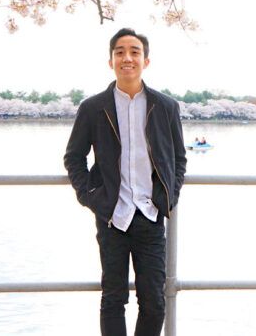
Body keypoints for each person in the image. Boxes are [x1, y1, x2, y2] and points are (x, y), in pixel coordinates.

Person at [64, 27, 188, 336]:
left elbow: (179, 159)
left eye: (135, 52)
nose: (127, 58)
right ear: (110, 61)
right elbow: (74, 157)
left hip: (149, 215)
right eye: (120, 52)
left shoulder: (166, 107)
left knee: (154, 303)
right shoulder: (93, 108)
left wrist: (168, 198)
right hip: (112, 217)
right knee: (113, 299)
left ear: (146, 61)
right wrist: (90, 196)